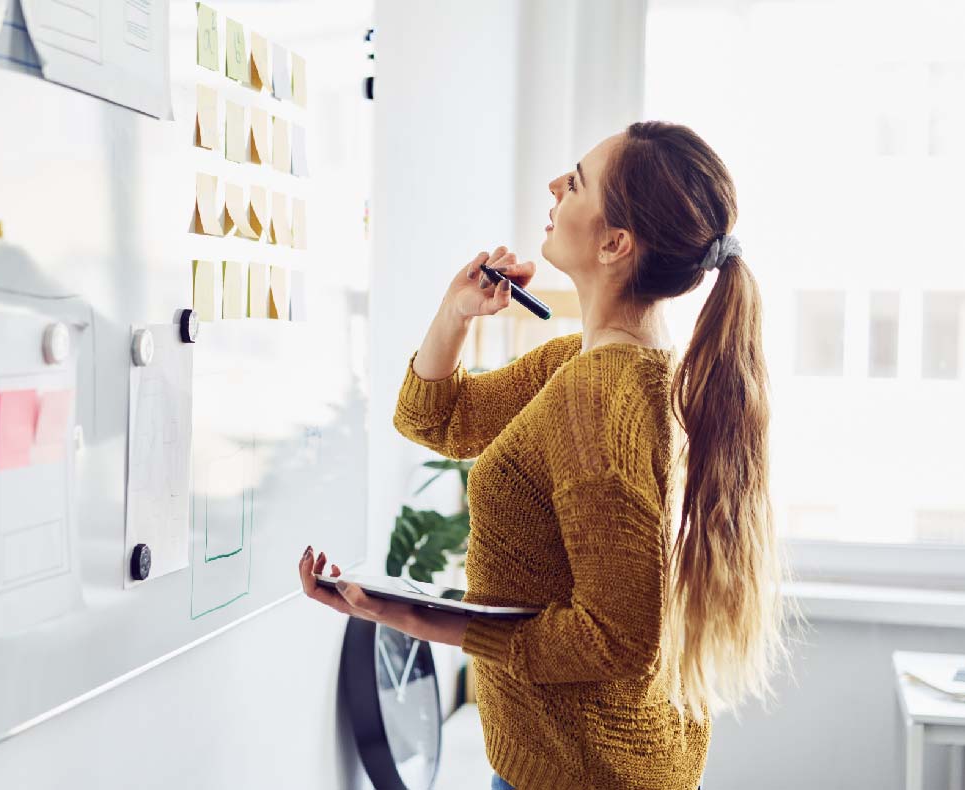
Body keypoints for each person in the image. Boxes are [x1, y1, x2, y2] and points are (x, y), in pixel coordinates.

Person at [298, 121, 790, 790]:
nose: (555, 187)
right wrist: (458, 311)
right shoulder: (593, 366)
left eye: (577, 182)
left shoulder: (600, 398)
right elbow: (436, 420)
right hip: (585, 764)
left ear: (615, 243)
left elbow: (614, 639)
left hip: (580, 774)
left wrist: (411, 615)